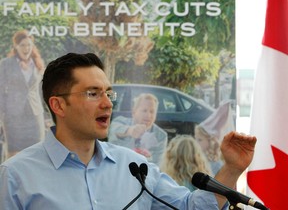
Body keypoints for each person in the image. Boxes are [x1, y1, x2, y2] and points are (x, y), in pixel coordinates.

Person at [0, 53, 257, 210]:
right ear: (58, 105)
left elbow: (191, 208)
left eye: (108, 93)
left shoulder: (135, 168)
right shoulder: (16, 176)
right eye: (93, 93)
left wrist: (232, 168)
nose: (108, 103)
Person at [0, 30, 48, 159]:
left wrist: (48, 115)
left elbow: (41, 92)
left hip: (35, 117)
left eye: (29, 45)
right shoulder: (6, 64)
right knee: (13, 156)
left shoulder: (38, 64)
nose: (26, 48)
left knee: (37, 155)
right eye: (22, 45)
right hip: (13, 118)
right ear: (16, 46)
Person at [108, 93, 168, 165]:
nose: (148, 115)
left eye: (152, 112)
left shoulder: (161, 136)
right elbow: (114, 131)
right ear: (134, 112)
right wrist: (130, 131)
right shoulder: (119, 121)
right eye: (144, 110)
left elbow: (156, 165)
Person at [194, 100, 235, 175]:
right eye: (195, 139)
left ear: (210, 140)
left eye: (200, 140)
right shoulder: (199, 159)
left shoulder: (216, 165)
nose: (196, 142)